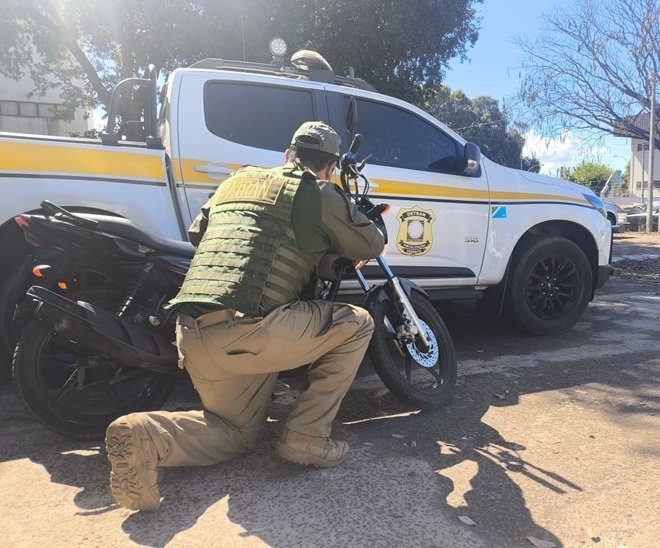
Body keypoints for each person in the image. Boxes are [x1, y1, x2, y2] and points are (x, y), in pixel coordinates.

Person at [104, 121, 385, 511]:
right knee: (357, 324)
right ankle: (306, 436)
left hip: (192, 333)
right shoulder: (317, 190)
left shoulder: (235, 182)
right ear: (331, 167)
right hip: (251, 329)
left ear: (288, 155)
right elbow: (372, 243)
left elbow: (197, 234)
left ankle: (147, 435)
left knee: (234, 433)